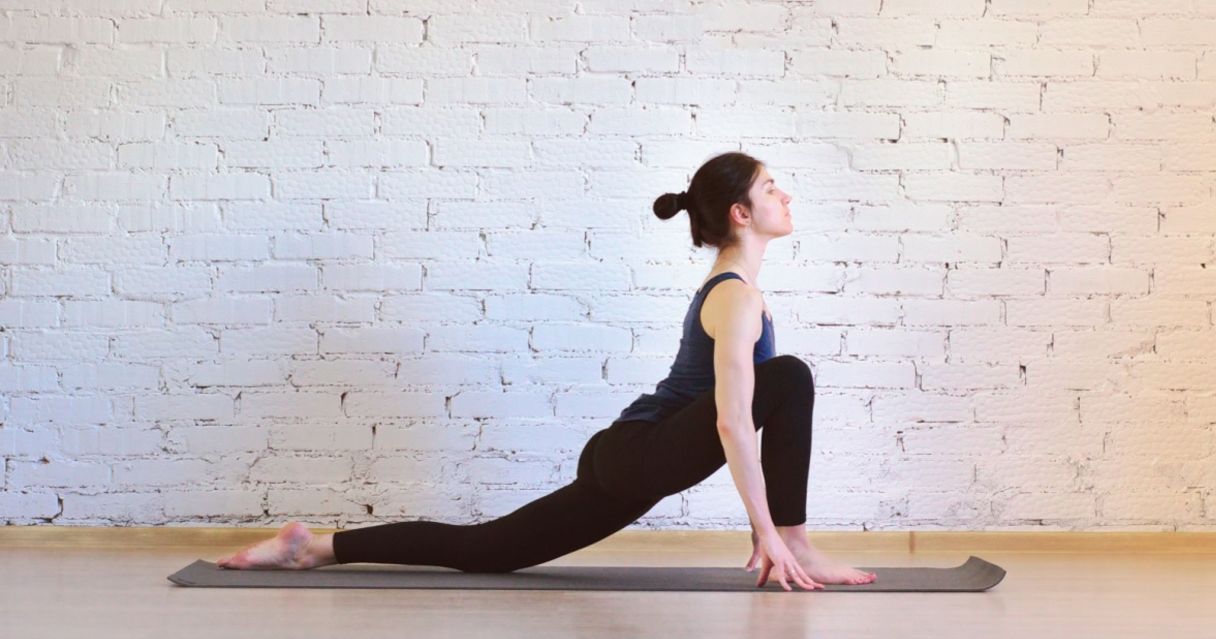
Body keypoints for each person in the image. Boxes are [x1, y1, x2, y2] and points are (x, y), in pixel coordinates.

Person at [217, 152, 877, 591]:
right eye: (770, 188)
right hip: (638, 453)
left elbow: (731, 421)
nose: (784, 195)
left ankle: (315, 545)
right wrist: (769, 535)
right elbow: (734, 422)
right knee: (788, 376)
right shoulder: (735, 294)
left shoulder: (737, 289)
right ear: (741, 213)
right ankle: (799, 540)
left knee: (488, 551)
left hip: (634, 465)